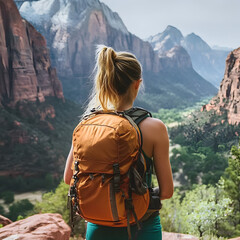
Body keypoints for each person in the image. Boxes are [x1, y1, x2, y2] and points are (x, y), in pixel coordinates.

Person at [63, 45, 174, 240]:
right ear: (137, 84)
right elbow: (166, 191)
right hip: (142, 227)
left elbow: (68, 178)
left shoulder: (87, 124)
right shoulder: (155, 128)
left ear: (105, 82)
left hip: (98, 228)